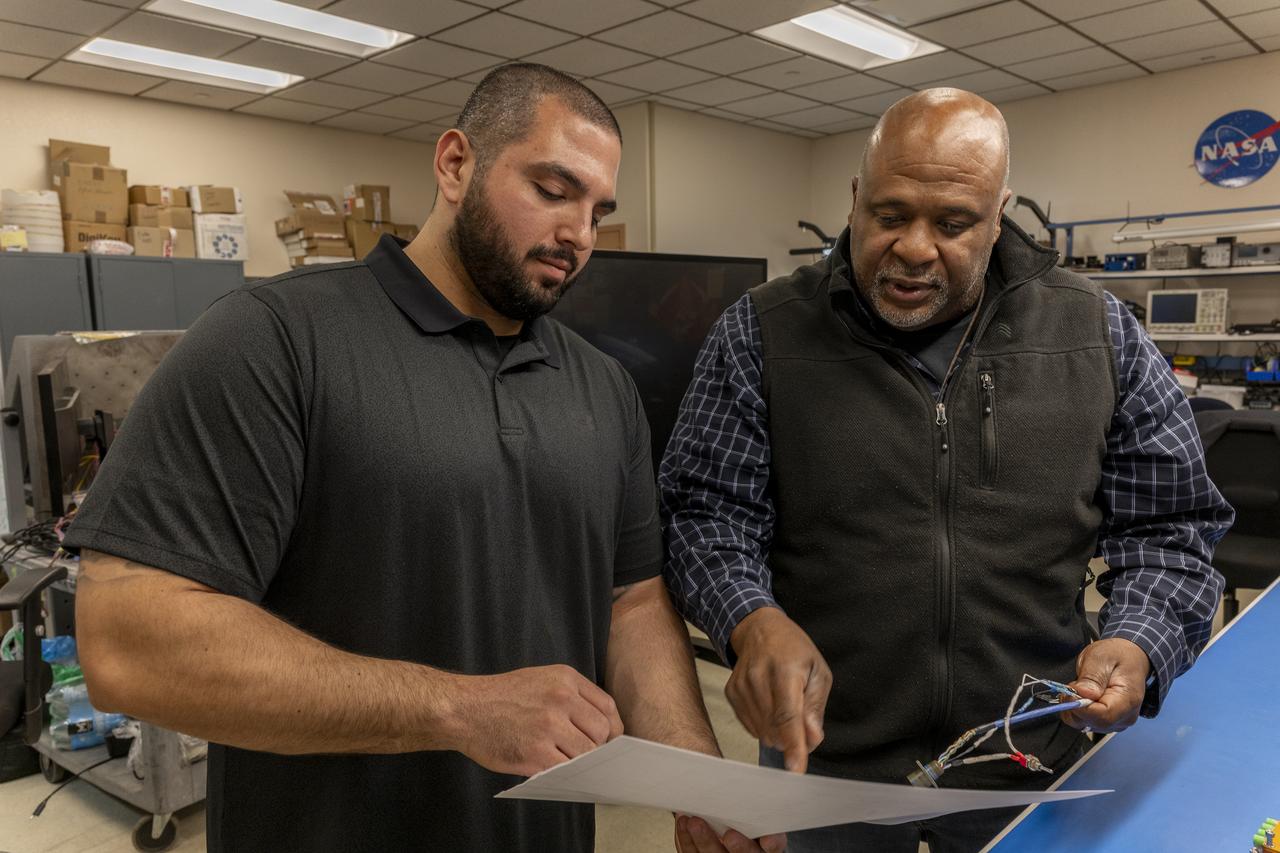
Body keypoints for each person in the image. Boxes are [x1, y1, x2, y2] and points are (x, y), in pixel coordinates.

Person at [66, 63, 733, 853]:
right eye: (554, 191)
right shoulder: (274, 339)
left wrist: (698, 776)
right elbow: (127, 639)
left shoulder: (604, 387)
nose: (579, 236)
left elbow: (630, 601)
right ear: (455, 164)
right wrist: (453, 708)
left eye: (598, 209)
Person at [660, 88, 1232, 852]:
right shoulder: (760, 332)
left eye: (954, 223)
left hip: (1034, 759)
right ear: (856, 197)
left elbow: (1172, 527)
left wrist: (1139, 639)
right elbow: (705, 513)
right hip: (827, 765)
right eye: (890, 214)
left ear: (999, 219)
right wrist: (749, 620)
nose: (915, 247)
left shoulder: (1097, 333)